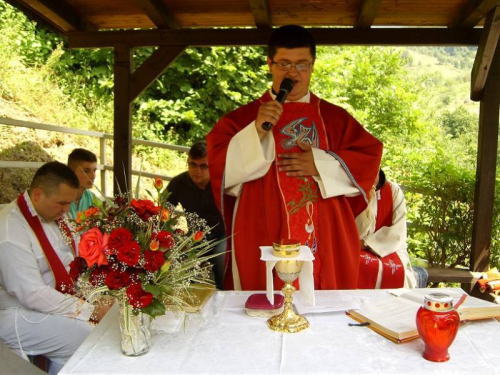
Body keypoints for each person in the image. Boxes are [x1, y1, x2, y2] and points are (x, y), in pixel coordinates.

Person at [207, 25, 383, 291]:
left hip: (324, 231)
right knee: (263, 305)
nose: (293, 73)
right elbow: (220, 169)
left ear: (312, 65)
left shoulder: (335, 119)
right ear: (270, 64)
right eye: (284, 64)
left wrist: (322, 164)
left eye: (302, 64)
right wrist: (254, 132)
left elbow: (369, 157)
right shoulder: (243, 119)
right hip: (261, 226)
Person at [0, 161, 111, 375]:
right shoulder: (9, 232)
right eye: (62, 203)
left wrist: (96, 293)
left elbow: (72, 258)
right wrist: (89, 309)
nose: (67, 210)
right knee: (85, 335)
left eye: (69, 203)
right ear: (39, 195)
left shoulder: (55, 213)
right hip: (16, 311)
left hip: (55, 297)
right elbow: (31, 293)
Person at [166, 141, 226, 290]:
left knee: (222, 255)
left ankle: (224, 295)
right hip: (195, 237)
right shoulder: (178, 183)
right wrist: (172, 238)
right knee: (181, 261)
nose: (197, 170)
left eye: (203, 166)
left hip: (223, 235)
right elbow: (163, 214)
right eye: (192, 164)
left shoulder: (224, 182)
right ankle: (188, 300)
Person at [348, 169, 417, 289]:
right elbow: (349, 228)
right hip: (352, 246)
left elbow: (397, 233)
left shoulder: (393, 191)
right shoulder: (347, 189)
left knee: (401, 276)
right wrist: (366, 201)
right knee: (350, 268)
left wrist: (365, 243)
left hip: (387, 247)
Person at [67, 148, 99, 219]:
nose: (93, 176)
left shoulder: (91, 198)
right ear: (71, 172)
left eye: (94, 170)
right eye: (86, 171)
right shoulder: (60, 199)